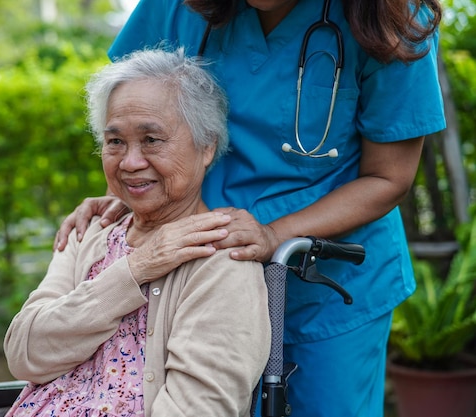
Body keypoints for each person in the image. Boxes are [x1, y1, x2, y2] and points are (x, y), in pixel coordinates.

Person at [53, 0, 447, 416]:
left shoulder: (393, 18)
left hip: (325, 288)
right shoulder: (176, 7)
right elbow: (137, 113)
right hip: (196, 279)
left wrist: (273, 235)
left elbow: (388, 179)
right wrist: (128, 193)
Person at [3, 48, 271, 417]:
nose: (130, 162)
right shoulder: (91, 231)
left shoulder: (222, 260)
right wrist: (135, 268)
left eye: (152, 140)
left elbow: (197, 409)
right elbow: (24, 354)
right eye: (115, 142)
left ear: (206, 147)